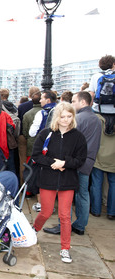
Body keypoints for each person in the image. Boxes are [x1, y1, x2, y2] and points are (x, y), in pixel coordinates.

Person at [32, 102, 87, 263]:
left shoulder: (78, 137)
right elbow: (36, 155)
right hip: (48, 178)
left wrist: (65, 163)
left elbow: (80, 159)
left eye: (69, 116)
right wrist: (53, 163)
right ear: (57, 117)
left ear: (73, 117)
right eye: (63, 116)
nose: (66, 120)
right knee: (46, 212)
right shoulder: (46, 133)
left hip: (68, 181)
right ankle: (34, 229)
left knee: (65, 216)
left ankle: (65, 248)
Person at [44, 91, 101, 235]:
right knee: (83, 194)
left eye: (74, 101)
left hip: (73, 163)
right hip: (88, 162)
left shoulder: (78, 119)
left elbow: (68, 143)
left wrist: (63, 162)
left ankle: (64, 226)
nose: (72, 104)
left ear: (83, 102)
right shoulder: (97, 119)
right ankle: (80, 225)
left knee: (66, 194)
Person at [90, 110, 115, 220]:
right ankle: (111, 212)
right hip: (113, 158)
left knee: (96, 184)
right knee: (113, 185)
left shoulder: (97, 118)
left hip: (98, 156)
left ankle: (96, 211)